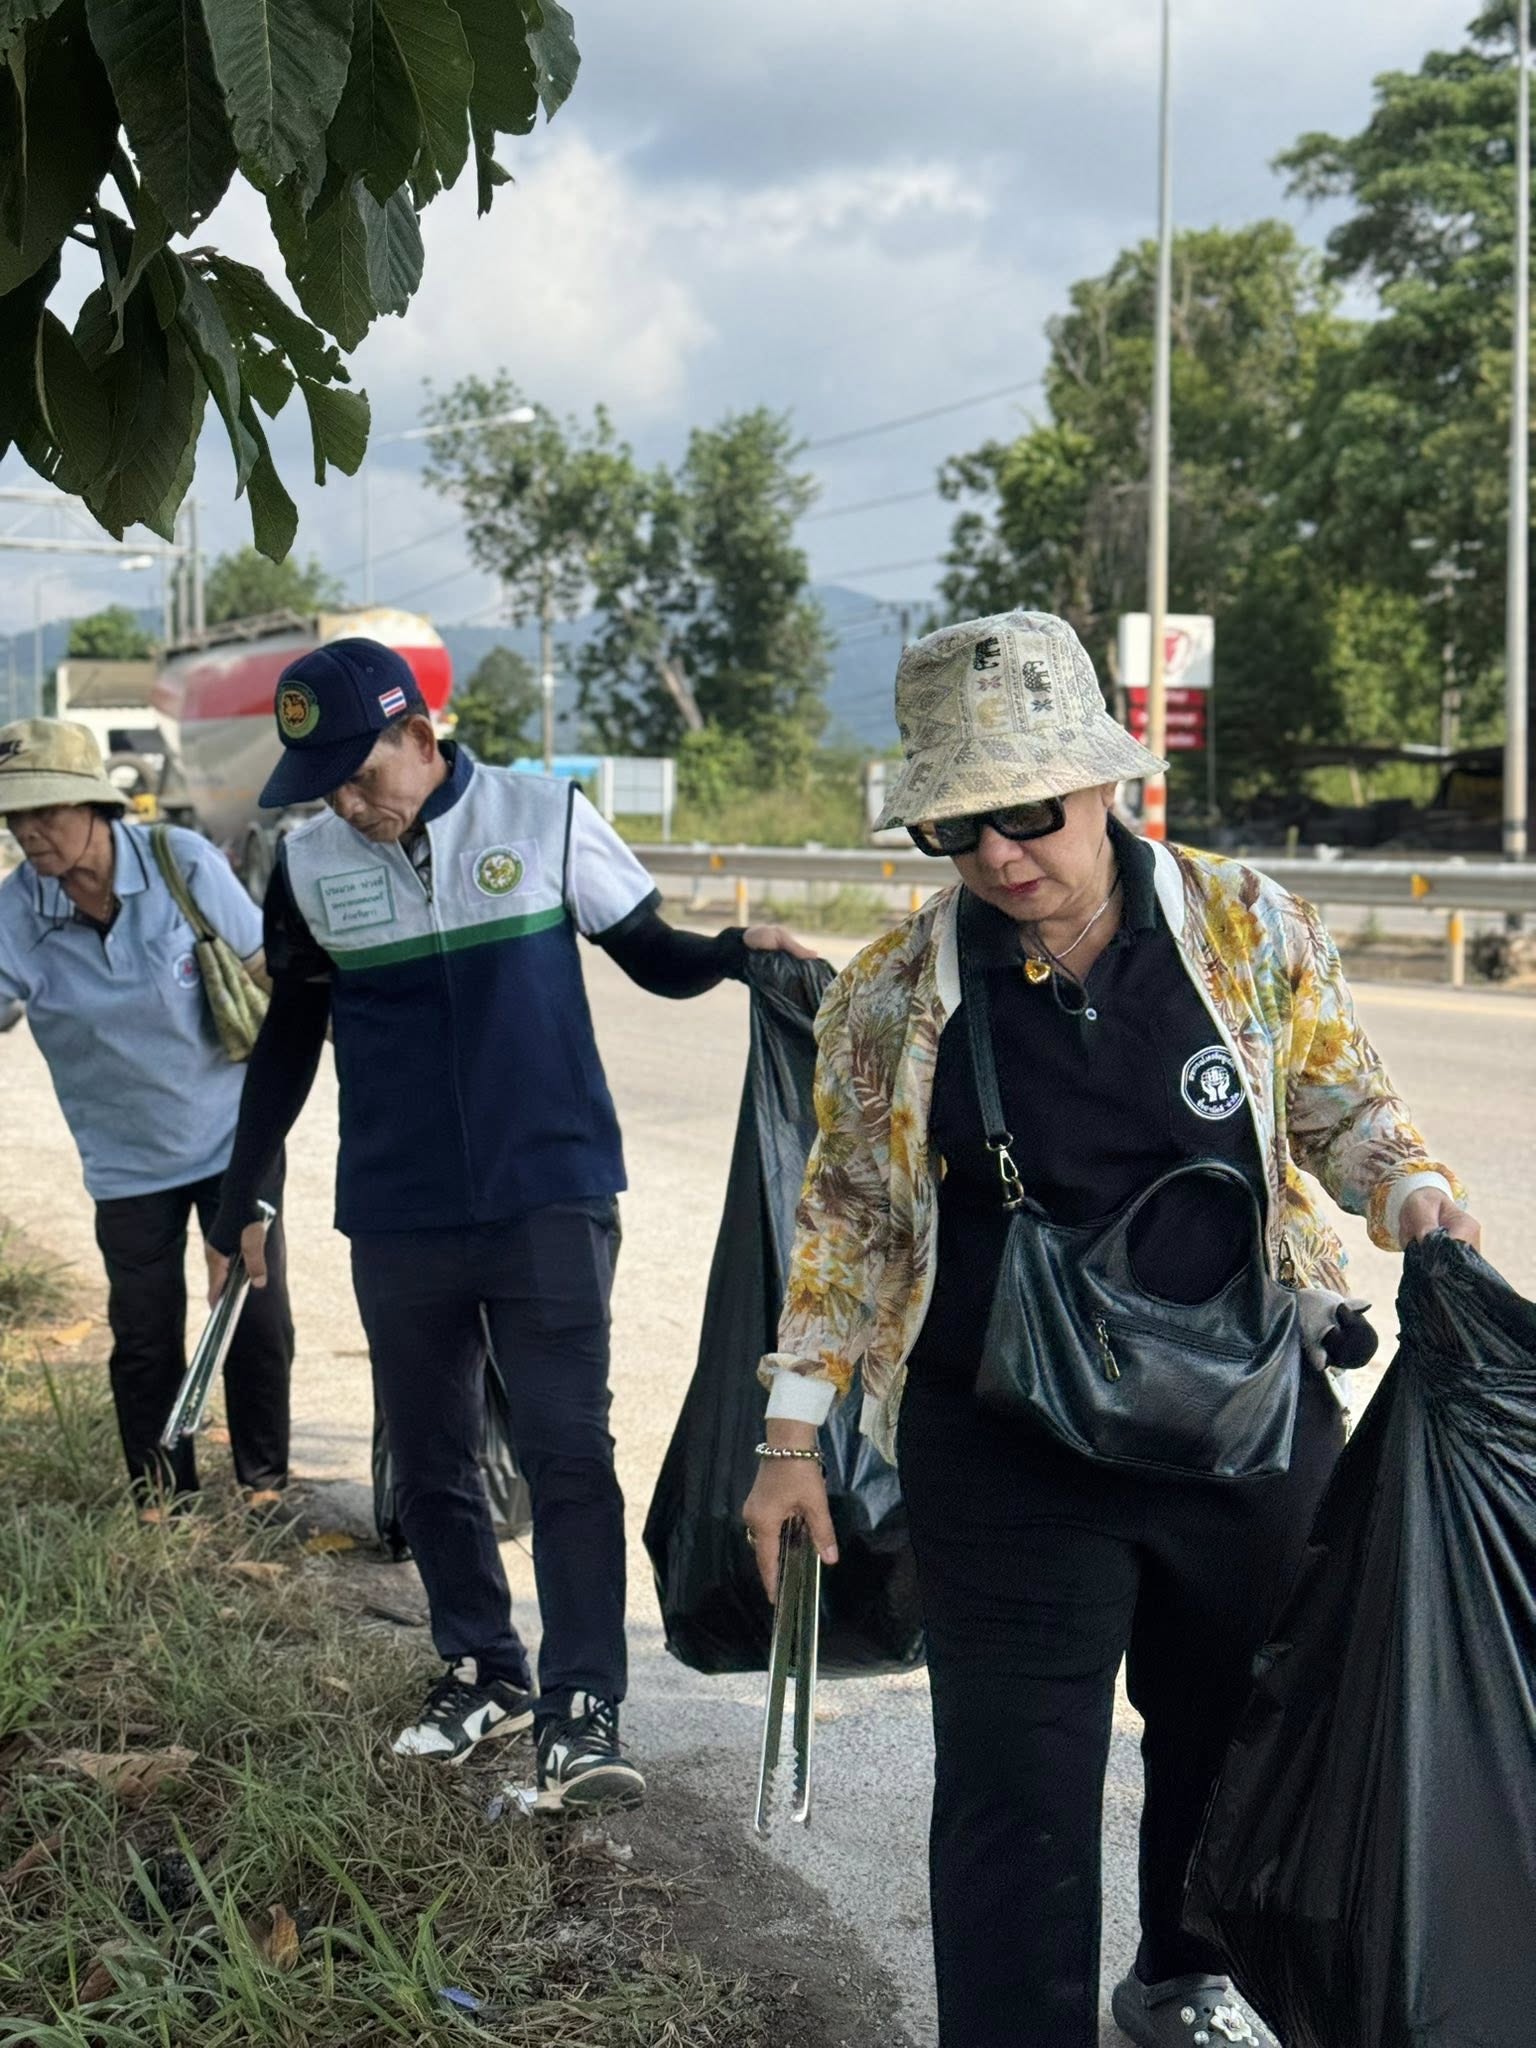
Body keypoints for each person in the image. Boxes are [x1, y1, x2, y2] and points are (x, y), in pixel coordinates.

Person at [742, 610, 1481, 2048]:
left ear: (1102, 782)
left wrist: (1415, 1197)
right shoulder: (892, 993)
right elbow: (846, 1218)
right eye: (957, 829)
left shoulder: (1245, 924)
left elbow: (1345, 1104)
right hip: (1002, 1440)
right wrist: (790, 1440)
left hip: (1243, 1421)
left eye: (1028, 811)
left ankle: (1186, 1976)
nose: (1001, 854)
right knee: (1015, 1785)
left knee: (1238, 1733)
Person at [207, 637, 814, 1802]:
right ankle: (482, 1666)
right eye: (325, 786)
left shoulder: (544, 817)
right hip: (398, 1205)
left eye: (360, 774)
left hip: (549, 1191)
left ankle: (584, 1702)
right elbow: (288, 1035)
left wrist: (737, 954)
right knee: (430, 1453)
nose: (347, 803)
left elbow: (649, 952)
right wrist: (246, 1189)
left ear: (420, 735)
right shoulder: (308, 863)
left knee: (566, 1446)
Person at [0, 718, 294, 1519]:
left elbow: (264, 969)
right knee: (142, 1329)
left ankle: (265, 1484)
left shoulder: (179, 863)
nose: (29, 831)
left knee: (252, 1309)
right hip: (124, 1159)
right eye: (16, 817)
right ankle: (162, 1497)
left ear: (94, 806)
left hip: (233, 1136)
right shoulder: (16, 912)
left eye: (45, 811)